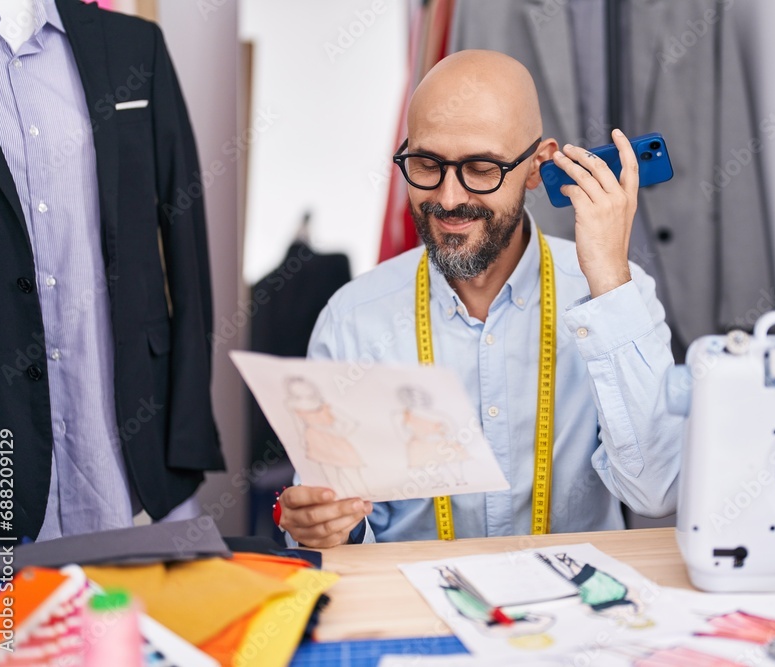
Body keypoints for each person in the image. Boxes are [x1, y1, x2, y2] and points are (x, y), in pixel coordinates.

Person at [278, 50, 682, 548]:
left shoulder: (618, 294)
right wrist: (329, 525)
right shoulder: (353, 318)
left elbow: (657, 491)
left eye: (482, 167)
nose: (448, 198)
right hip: (408, 602)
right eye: (426, 163)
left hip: (577, 611)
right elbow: (335, 520)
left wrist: (608, 282)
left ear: (537, 167)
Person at [0, 0, 222, 544]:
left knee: (141, 623)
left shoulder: (134, 49)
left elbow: (184, 242)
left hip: (129, 436)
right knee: (7, 629)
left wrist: (186, 430)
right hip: (0, 444)